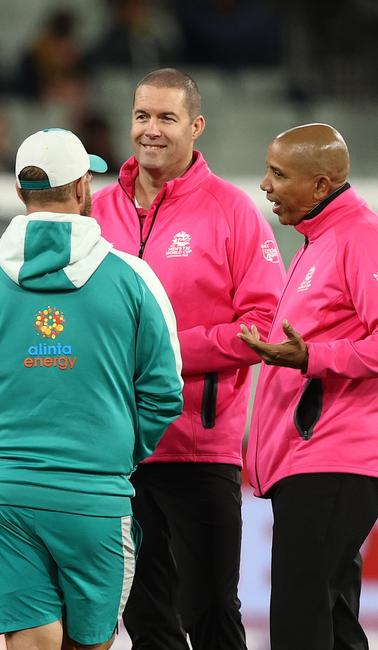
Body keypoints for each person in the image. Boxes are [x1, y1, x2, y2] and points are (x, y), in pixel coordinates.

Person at [0, 128, 184, 650]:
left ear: (21, 193)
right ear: (84, 187)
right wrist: (114, 451)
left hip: (2, 491)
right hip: (95, 494)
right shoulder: (134, 278)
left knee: (32, 641)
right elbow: (164, 391)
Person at [91, 68, 286, 650]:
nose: (151, 130)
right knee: (144, 615)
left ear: (196, 127)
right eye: (142, 116)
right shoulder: (99, 211)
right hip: (117, 448)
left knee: (210, 613)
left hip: (199, 447)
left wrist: (163, 354)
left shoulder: (233, 212)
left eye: (166, 118)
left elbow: (264, 325)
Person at [239, 123, 378, 650]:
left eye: (278, 174)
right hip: (312, 457)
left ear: (320, 186)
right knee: (331, 616)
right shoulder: (319, 241)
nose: (265, 185)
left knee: (300, 618)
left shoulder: (360, 238)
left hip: (333, 456)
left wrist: (315, 356)